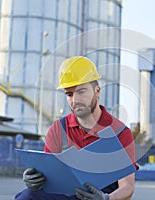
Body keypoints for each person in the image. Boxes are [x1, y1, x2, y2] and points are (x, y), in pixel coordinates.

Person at [15, 56, 138, 200]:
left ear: (97, 91)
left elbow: (127, 187)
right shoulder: (58, 129)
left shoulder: (119, 132)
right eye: (69, 94)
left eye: (81, 92)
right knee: (27, 196)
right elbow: (51, 177)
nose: (75, 100)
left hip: (103, 196)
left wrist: (106, 198)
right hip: (68, 194)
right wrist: (35, 179)